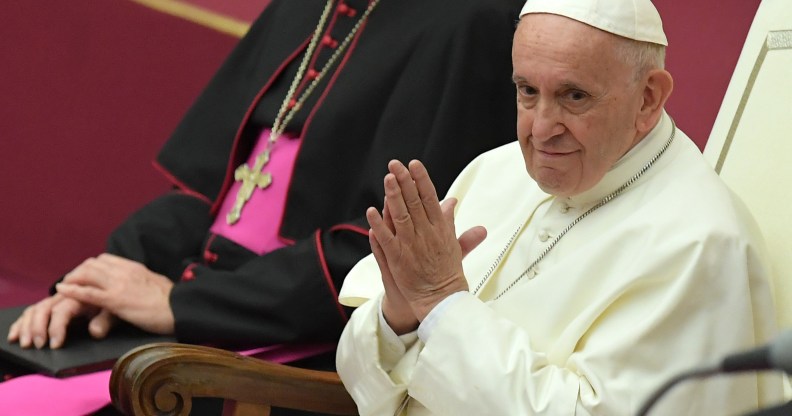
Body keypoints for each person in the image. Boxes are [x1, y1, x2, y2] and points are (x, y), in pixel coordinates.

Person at [2, 0, 523, 414]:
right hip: (199, 300)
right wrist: (103, 279)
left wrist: (181, 305)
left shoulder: (474, 19)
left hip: (293, 344)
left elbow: (383, 259)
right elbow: (210, 190)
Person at [334, 0, 785, 414]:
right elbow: (360, 379)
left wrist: (440, 304)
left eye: (574, 96)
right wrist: (399, 318)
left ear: (648, 98)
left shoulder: (699, 244)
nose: (542, 128)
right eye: (528, 91)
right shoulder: (495, 171)